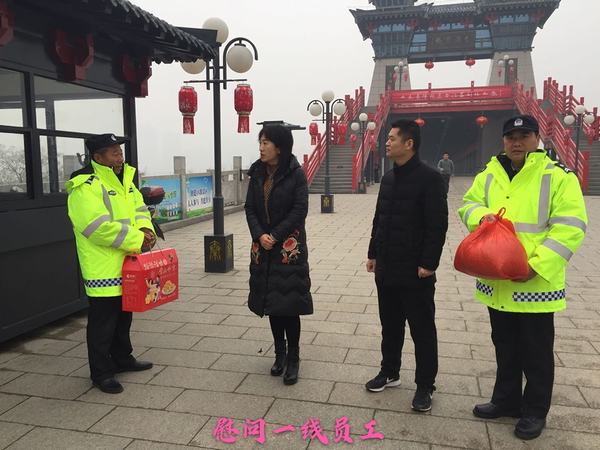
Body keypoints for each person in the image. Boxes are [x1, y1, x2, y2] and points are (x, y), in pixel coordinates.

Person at [458, 115, 587, 440]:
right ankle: (506, 400)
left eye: (524, 135)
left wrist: (536, 266)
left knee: (536, 353)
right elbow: (468, 204)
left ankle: (534, 411)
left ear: (537, 138)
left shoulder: (557, 176)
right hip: (497, 279)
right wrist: (483, 218)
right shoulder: (489, 174)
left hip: (535, 284)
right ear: (503, 141)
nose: (516, 142)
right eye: (510, 137)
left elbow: (571, 226)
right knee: (505, 346)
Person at [365, 120, 448, 412]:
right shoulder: (388, 179)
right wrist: (373, 253)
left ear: (409, 143)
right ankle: (389, 372)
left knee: (422, 330)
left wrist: (429, 263)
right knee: (390, 325)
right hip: (387, 267)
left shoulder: (431, 178)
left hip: (415, 271)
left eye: (392, 138)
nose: (386, 143)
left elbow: (437, 225)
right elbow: (379, 219)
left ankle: (425, 385)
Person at [66, 133, 156, 394]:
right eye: (114, 152)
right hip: (102, 267)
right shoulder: (84, 185)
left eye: (120, 151)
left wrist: (146, 230)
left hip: (127, 262)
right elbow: (96, 227)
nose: (120, 156)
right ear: (98, 157)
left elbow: (140, 209)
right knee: (103, 323)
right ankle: (101, 373)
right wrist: (137, 239)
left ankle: (122, 358)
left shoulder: (125, 179)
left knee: (124, 316)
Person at [245, 125, 313, 385]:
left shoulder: (296, 174)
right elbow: (250, 208)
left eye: (266, 143)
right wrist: (260, 234)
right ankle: (280, 354)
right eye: (260, 142)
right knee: (272, 304)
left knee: (289, 305)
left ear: (280, 147)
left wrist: (274, 235)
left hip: (287, 249)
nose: (261, 148)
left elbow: (299, 209)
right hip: (263, 248)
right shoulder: (257, 173)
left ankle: (294, 358)